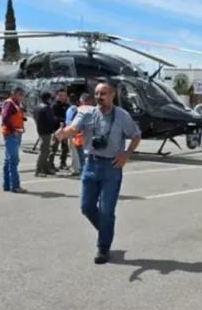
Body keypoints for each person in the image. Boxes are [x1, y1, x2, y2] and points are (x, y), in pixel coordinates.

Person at [56, 83, 141, 264]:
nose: (99, 96)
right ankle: (106, 231)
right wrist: (63, 133)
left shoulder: (121, 115)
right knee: (86, 207)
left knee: (106, 210)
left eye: (103, 93)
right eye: (96, 94)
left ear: (112, 94)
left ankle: (103, 248)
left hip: (112, 167)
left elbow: (136, 135)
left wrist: (126, 154)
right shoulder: (87, 113)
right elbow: (73, 129)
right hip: (91, 165)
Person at [1, 87, 28, 193]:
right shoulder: (10, 103)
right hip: (12, 134)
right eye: (20, 94)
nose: (21, 96)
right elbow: (5, 118)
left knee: (8, 160)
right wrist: (13, 130)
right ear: (13, 94)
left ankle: (7, 184)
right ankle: (15, 186)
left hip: (14, 134)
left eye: (22, 94)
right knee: (13, 160)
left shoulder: (15, 104)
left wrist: (22, 120)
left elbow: (13, 117)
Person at [65, 93, 92, 176]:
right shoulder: (95, 110)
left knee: (76, 154)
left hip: (77, 136)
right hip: (87, 137)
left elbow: (72, 123)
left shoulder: (77, 110)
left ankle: (78, 169)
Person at [34, 92, 58, 177]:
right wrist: (57, 121)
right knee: (44, 151)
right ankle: (38, 169)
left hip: (40, 130)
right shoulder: (47, 108)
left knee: (46, 150)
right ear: (48, 99)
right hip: (46, 131)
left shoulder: (37, 107)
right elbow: (51, 120)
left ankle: (46, 168)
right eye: (51, 98)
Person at [50, 89, 70, 170]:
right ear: (56, 96)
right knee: (53, 148)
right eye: (60, 95)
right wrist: (63, 120)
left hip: (65, 129)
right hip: (56, 130)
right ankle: (50, 163)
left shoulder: (67, 106)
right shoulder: (54, 106)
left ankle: (63, 163)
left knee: (65, 148)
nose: (62, 97)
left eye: (64, 95)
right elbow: (54, 117)